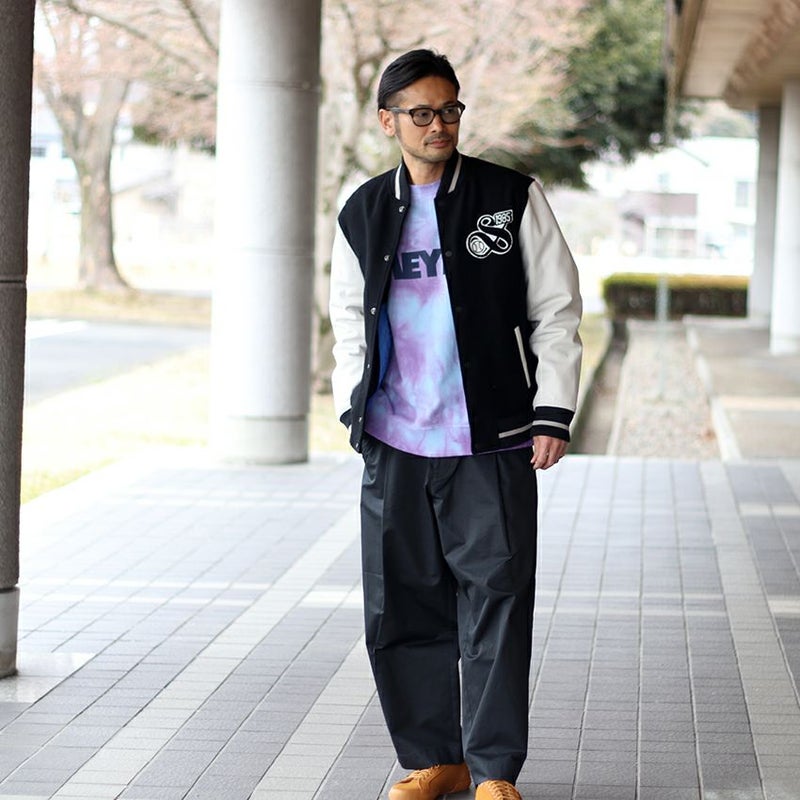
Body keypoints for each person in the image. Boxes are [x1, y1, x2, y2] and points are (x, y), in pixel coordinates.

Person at [329, 49, 582, 800]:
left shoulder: (509, 197)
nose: (438, 125)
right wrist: (353, 405)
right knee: (400, 603)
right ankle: (434, 760)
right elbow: (347, 316)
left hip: (489, 439)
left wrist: (552, 409)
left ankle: (494, 770)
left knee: (497, 600)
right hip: (396, 440)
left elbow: (556, 310)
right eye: (421, 113)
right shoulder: (363, 210)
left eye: (449, 110)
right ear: (388, 122)